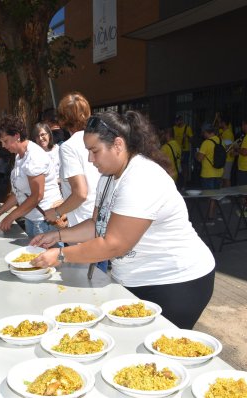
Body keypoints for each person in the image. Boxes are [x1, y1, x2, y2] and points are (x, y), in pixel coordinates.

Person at [30, 110, 215, 330]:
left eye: (94, 151)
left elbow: (113, 244)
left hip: (175, 282)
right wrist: (58, 235)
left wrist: (60, 255)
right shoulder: (108, 178)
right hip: (136, 280)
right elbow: (97, 225)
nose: (90, 159)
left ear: (118, 145)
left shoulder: (142, 178)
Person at [0, 115, 62, 237]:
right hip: (32, 219)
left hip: (45, 221)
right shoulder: (19, 156)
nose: (3, 145)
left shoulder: (34, 156)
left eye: (5, 141)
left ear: (17, 136)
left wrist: (10, 217)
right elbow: (17, 193)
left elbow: (37, 196)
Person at [49, 92, 101, 228]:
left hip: (82, 221)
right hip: (101, 217)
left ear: (62, 119)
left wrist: (56, 212)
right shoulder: (101, 139)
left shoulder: (68, 147)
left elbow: (81, 193)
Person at [195, 123, 224, 224]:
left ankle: (210, 217)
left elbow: (199, 159)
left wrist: (197, 153)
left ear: (206, 132)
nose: (203, 135)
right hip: (219, 173)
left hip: (208, 174)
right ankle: (214, 214)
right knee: (215, 195)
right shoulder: (220, 141)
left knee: (210, 196)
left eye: (203, 133)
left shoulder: (206, 143)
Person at [173, 115, 194, 186]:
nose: (176, 122)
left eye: (178, 120)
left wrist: (187, 137)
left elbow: (192, 140)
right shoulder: (174, 128)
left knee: (184, 166)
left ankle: (184, 184)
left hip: (185, 150)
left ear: (181, 120)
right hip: (176, 150)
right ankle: (178, 182)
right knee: (177, 166)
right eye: (176, 121)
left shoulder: (187, 128)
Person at [219, 117, 236, 188]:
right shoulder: (223, 132)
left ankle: (228, 195)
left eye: (220, 123)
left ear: (223, 123)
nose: (219, 124)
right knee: (223, 178)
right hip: (224, 158)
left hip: (228, 158)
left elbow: (228, 147)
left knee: (226, 178)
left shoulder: (228, 133)